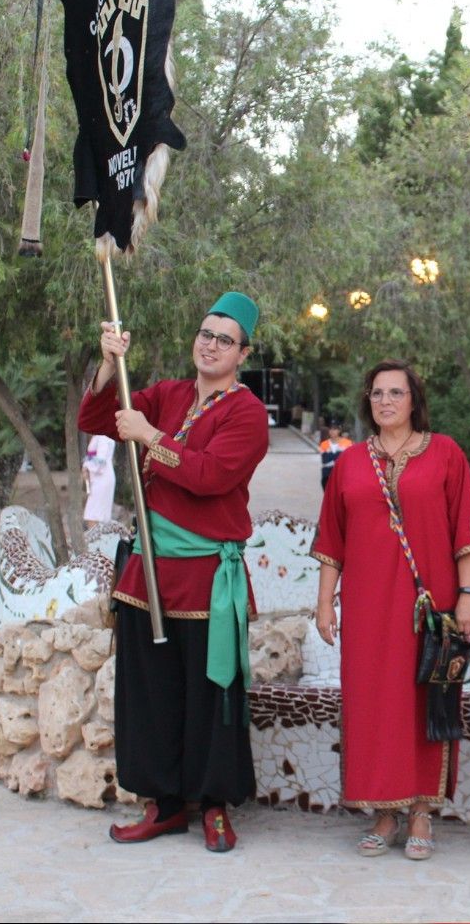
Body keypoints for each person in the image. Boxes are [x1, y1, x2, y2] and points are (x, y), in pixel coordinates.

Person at [78, 292, 270, 853]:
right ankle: (162, 805)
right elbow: (96, 418)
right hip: (149, 575)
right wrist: (106, 365)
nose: (211, 345)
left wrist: (150, 437)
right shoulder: (167, 394)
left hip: (207, 578)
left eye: (225, 340)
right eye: (206, 334)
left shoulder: (247, 413)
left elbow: (211, 477)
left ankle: (213, 806)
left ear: (243, 354)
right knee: (150, 693)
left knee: (211, 696)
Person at [312, 359, 470, 861]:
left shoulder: (446, 453)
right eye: (377, 393)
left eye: (396, 393)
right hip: (367, 608)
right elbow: (331, 541)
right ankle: (384, 811)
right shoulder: (349, 463)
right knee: (373, 704)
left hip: (432, 609)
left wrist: (469, 595)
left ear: (414, 400)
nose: (385, 401)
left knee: (426, 704)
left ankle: (422, 810)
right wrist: (324, 604)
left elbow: (466, 530)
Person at [81, 433, 117, 527]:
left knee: (93, 515)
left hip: (102, 478)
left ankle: (97, 536)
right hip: (98, 478)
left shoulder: (103, 436)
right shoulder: (99, 435)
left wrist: (87, 466)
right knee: (95, 514)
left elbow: (101, 461)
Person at [317, 423, 351, 490]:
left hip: (342, 473)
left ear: (339, 431)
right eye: (330, 429)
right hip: (327, 474)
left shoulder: (348, 443)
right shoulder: (323, 444)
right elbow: (325, 460)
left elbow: (347, 460)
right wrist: (339, 454)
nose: (332, 431)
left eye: (335, 429)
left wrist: (330, 454)